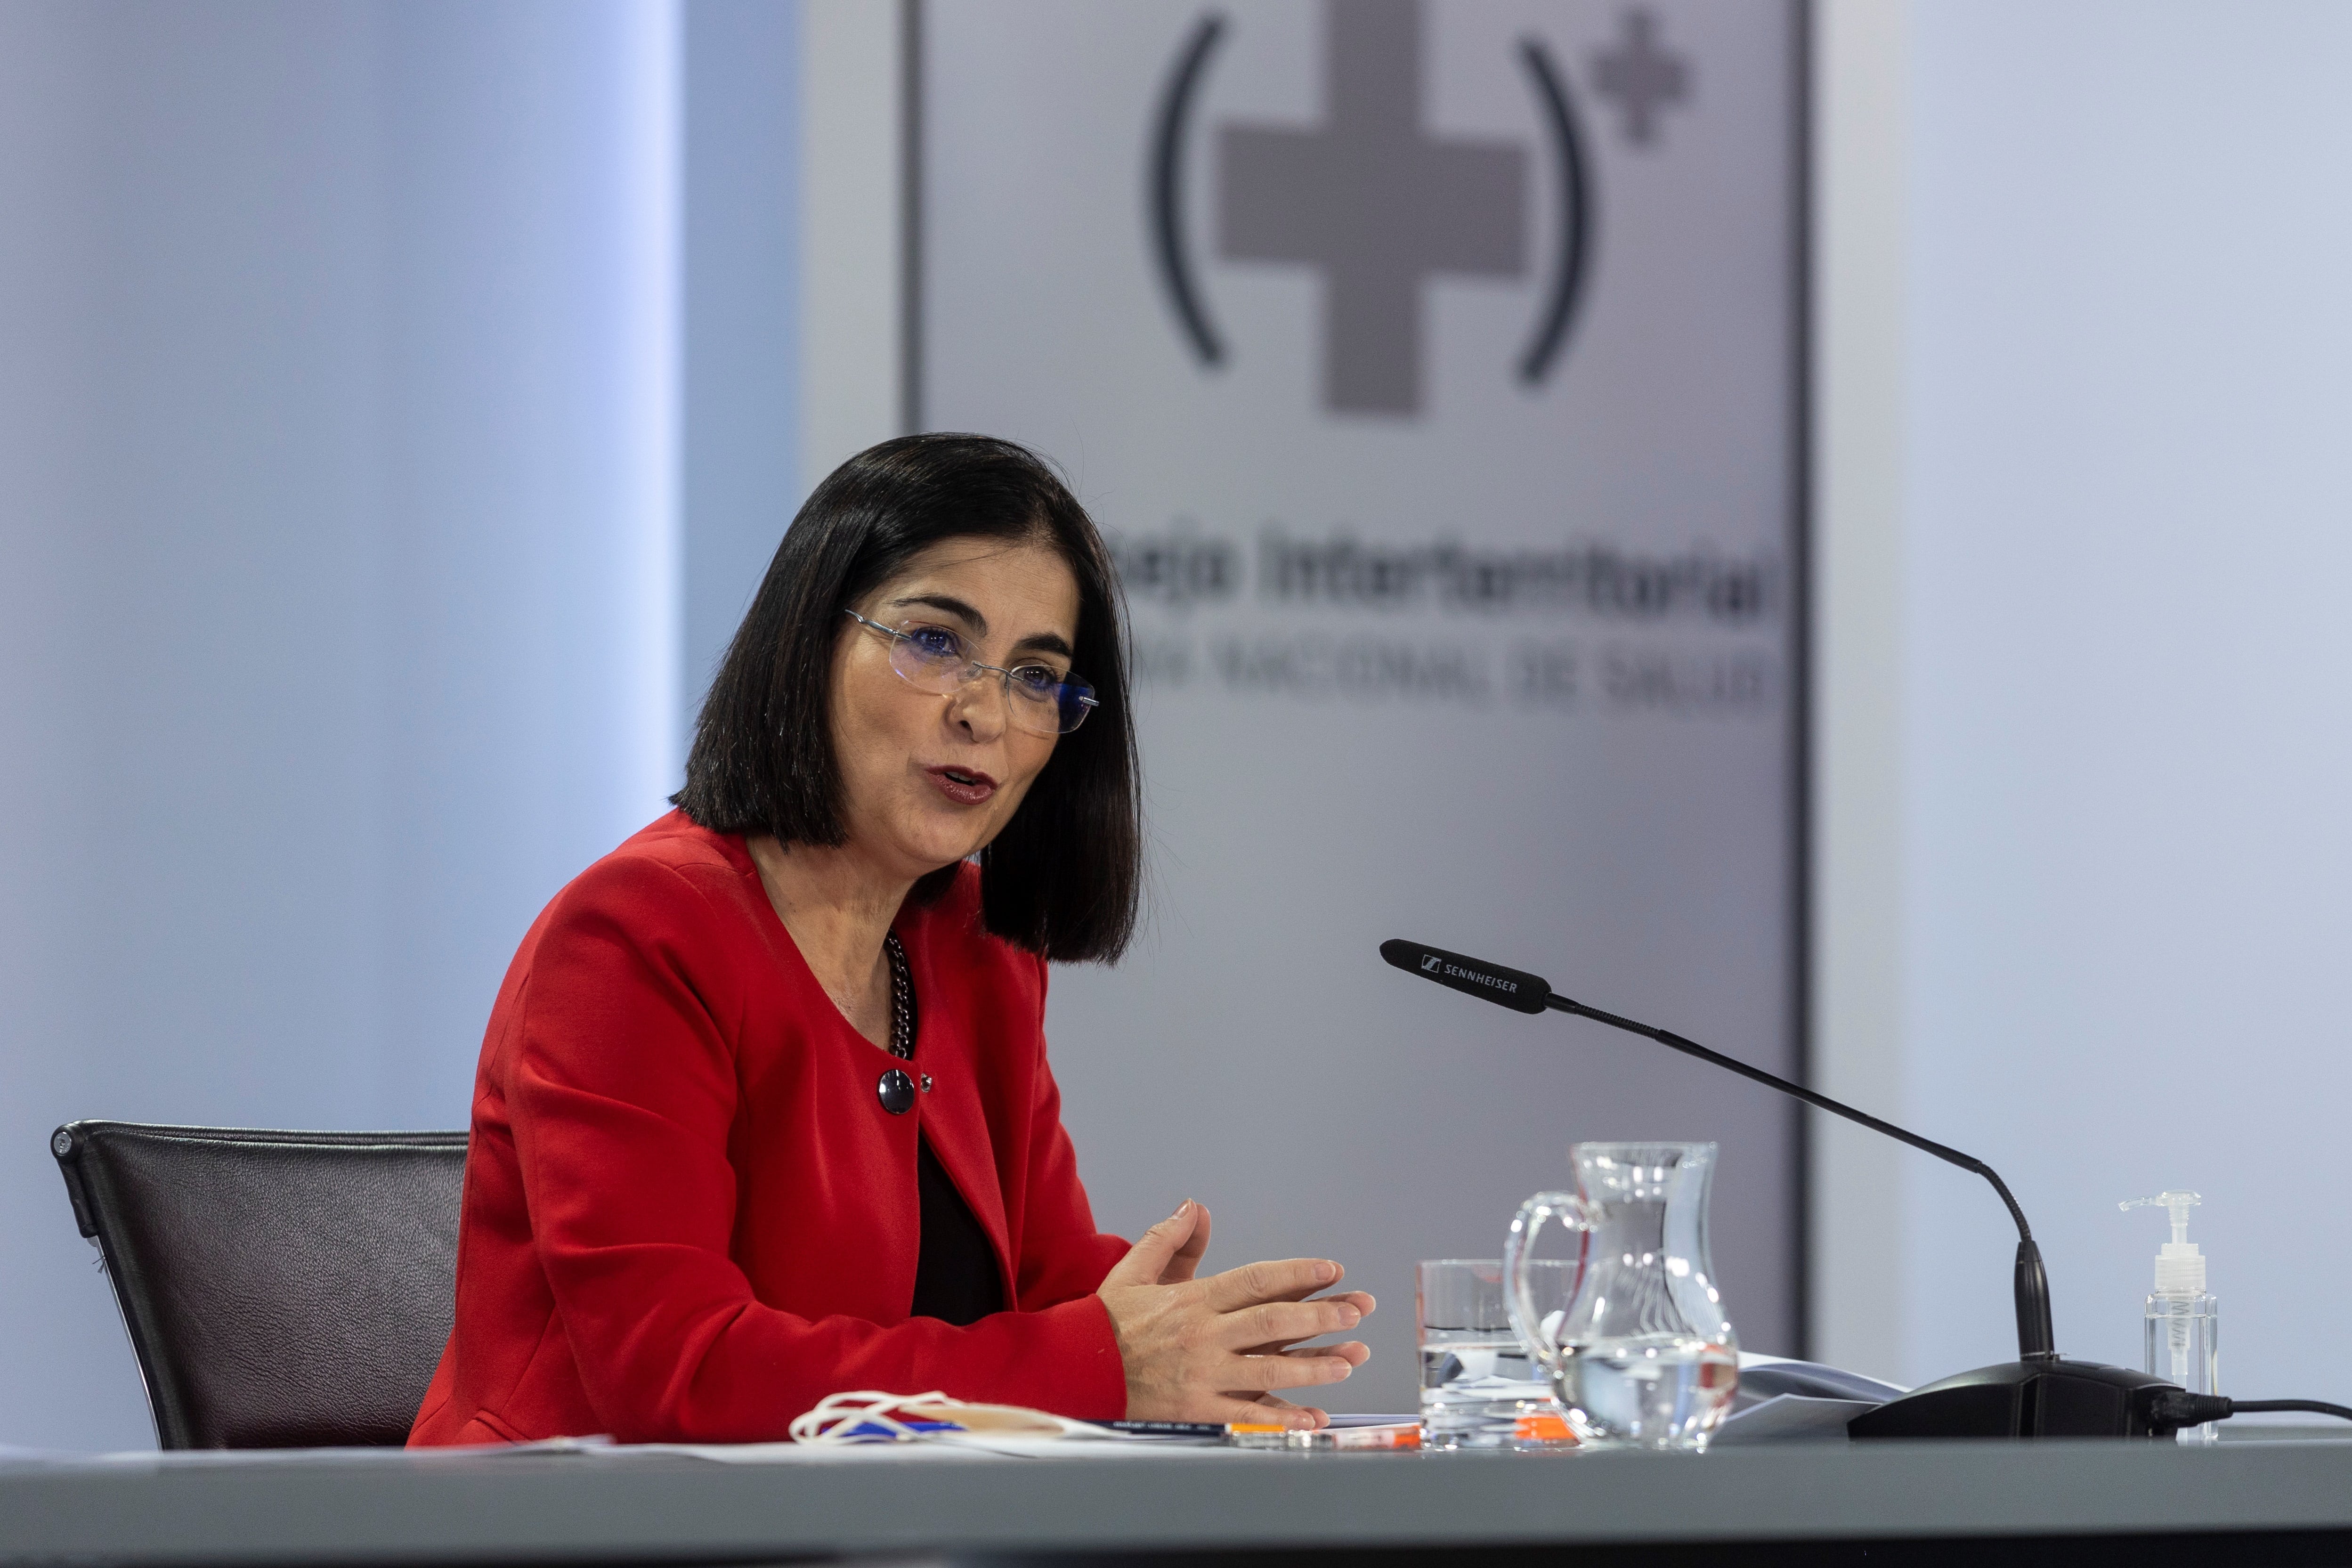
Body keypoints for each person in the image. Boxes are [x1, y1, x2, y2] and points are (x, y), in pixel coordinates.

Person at [409, 434, 1372, 1445]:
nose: (984, 713)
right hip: (583, 1539)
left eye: (1037, 677)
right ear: (810, 640)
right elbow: (676, 1375)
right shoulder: (635, 937)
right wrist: (1100, 1361)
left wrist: (1190, 1345)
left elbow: (1043, 1290)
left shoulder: (979, 951)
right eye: (933, 642)